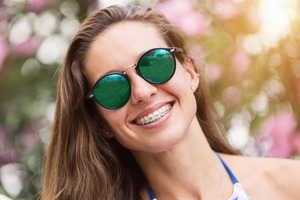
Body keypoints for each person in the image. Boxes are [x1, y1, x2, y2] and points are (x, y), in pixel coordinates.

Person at [42, 4, 300, 200]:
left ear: (190, 73)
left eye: (155, 62)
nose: (142, 92)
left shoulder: (291, 184)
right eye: (112, 87)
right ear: (100, 123)